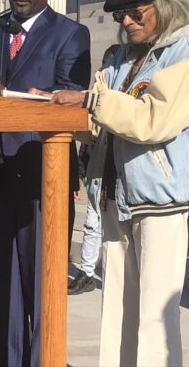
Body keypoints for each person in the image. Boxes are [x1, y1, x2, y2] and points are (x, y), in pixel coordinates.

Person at [34, 0, 189, 366]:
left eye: (134, 13)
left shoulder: (187, 49)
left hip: (157, 201)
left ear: (163, 7)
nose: (127, 23)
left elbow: (155, 119)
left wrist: (89, 101)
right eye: (119, 18)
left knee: (154, 317)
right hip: (114, 197)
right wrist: (50, 104)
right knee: (115, 309)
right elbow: (99, 121)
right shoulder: (123, 57)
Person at [0, 0, 91, 367]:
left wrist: (4, 98)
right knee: (2, 284)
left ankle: (45, 360)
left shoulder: (71, 34)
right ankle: (8, 360)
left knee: (40, 280)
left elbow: (68, 102)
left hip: (43, 175)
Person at [68, 43, 121, 295]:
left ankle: (113, 272)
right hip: (97, 172)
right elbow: (86, 145)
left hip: (120, 173)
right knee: (91, 222)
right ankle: (87, 271)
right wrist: (79, 173)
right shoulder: (96, 97)